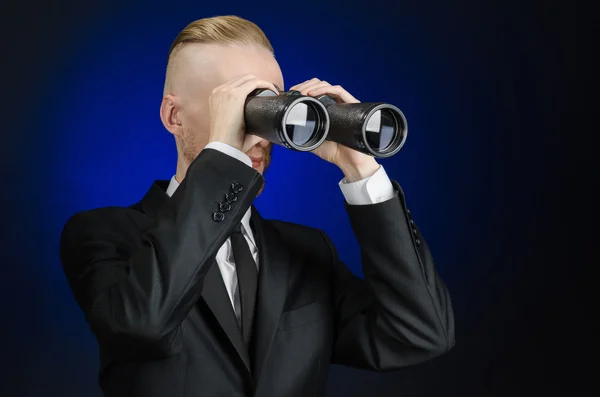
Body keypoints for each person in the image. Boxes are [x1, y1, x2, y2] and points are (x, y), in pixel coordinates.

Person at [60, 15, 455, 397]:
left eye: (270, 105)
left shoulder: (306, 252)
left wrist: (361, 169)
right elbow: (143, 326)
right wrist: (223, 155)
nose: (259, 132)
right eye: (236, 105)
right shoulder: (106, 235)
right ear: (174, 116)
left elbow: (419, 335)